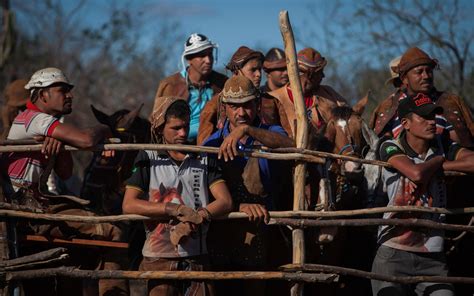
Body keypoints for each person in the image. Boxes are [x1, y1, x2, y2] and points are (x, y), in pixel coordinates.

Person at [0, 67, 127, 295]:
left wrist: (59, 145)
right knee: (113, 231)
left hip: (36, 207)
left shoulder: (43, 123)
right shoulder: (35, 118)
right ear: (42, 95)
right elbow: (87, 140)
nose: (70, 95)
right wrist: (106, 128)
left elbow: (66, 173)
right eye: (62, 90)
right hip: (25, 210)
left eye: (69, 91)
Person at [122, 97, 233, 296]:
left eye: (185, 126)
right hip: (159, 258)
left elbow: (225, 201)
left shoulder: (203, 156)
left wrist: (199, 216)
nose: (182, 133)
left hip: (197, 257)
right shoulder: (148, 157)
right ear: (160, 128)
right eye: (175, 128)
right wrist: (173, 209)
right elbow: (129, 204)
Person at [371, 92, 474, 295]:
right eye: (424, 117)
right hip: (393, 253)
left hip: (433, 256)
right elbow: (416, 173)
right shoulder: (391, 145)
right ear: (406, 123)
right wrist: (438, 162)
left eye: (433, 116)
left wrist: (442, 162)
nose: (431, 122)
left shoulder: (443, 146)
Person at [202, 75, 294, 296]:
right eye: (234, 107)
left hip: (266, 231)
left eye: (247, 105)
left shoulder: (271, 133)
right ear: (224, 107)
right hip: (223, 234)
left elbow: (293, 145)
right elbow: (203, 193)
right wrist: (238, 207)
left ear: (258, 104)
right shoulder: (211, 144)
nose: (241, 113)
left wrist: (247, 131)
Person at [370, 47, 474, 147]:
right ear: (405, 79)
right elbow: (380, 146)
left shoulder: (451, 102)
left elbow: (462, 145)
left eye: (429, 71)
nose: (426, 76)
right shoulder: (387, 108)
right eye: (419, 72)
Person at [150, 33, 227, 144]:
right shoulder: (171, 84)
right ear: (189, 59)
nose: (208, 60)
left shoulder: (222, 83)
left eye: (210, 54)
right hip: (178, 145)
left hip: (213, 144)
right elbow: (157, 122)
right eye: (202, 56)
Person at [269, 47, 348, 138]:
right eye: (319, 72)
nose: (323, 76)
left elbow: (350, 119)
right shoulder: (275, 98)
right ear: (309, 75)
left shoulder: (329, 93)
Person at [197, 46, 269, 145]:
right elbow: (204, 144)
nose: (258, 74)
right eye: (253, 70)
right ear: (236, 72)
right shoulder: (216, 104)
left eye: (259, 69)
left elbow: (285, 137)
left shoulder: (270, 99)